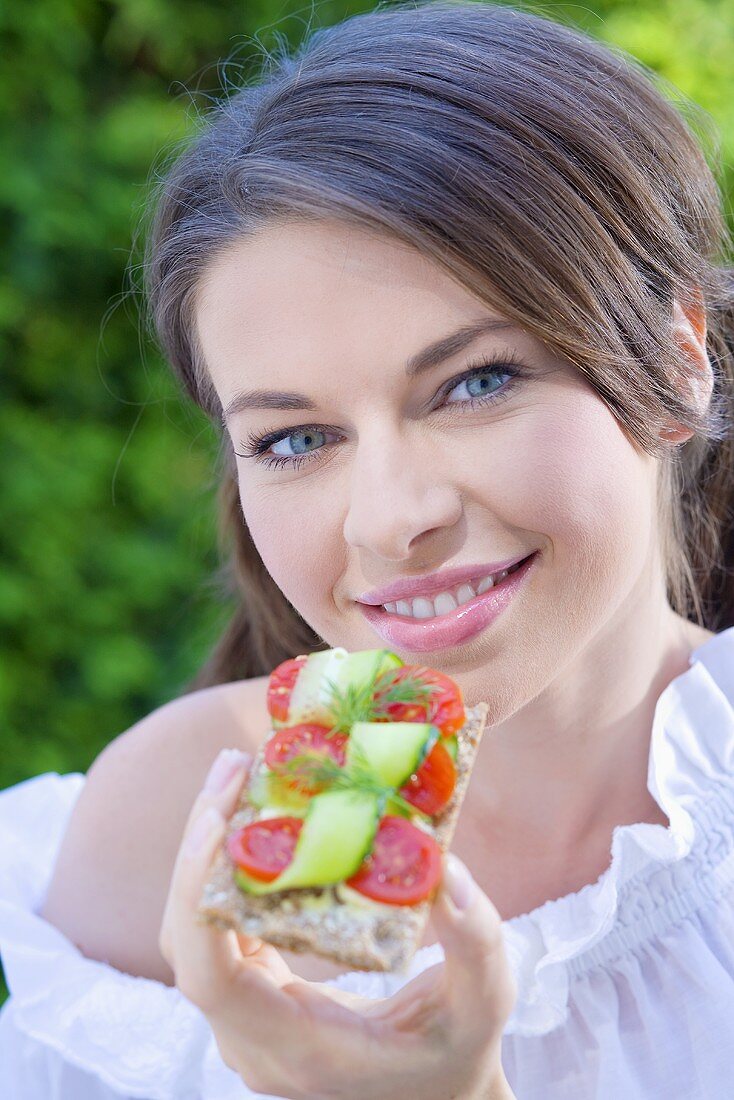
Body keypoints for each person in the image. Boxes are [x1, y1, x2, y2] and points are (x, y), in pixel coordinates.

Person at [1, 0, 733, 1096]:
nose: (389, 517)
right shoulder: (158, 832)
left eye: (474, 380)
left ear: (678, 362)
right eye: (296, 438)